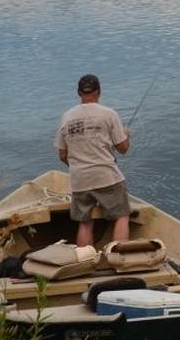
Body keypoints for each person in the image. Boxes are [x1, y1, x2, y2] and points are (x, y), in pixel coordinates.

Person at [55, 74, 132, 247]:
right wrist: (126, 135)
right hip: (107, 176)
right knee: (121, 215)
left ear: (79, 93)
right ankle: (119, 258)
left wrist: (77, 166)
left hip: (79, 179)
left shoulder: (66, 117)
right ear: (99, 92)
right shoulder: (109, 114)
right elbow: (123, 149)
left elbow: (62, 155)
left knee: (85, 222)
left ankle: (85, 261)